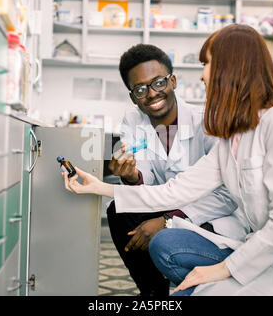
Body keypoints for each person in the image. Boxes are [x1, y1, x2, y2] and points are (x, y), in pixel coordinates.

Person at [63, 24, 273, 296]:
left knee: (194, 283)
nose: (202, 76)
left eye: (206, 64)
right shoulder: (235, 135)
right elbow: (176, 190)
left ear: (232, 67)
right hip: (259, 257)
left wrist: (223, 268)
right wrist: (98, 186)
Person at [105, 44, 249, 296]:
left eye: (158, 83)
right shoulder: (133, 121)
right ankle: (153, 292)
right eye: (140, 89)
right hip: (164, 202)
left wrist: (168, 220)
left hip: (210, 217)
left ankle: (205, 280)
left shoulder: (207, 120)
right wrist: (130, 176)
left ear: (172, 81)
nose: (151, 94)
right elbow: (145, 178)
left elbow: (227, 195)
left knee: (165, 243)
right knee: (118, 209)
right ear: (132, 96)